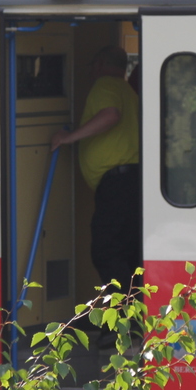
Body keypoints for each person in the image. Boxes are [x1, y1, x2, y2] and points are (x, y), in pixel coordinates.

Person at [50, 45, 141, 293]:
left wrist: (70, 137)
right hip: (131, 182)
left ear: (99, 64)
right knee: (129, 253)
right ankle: (134, 309)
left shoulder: (105, 85)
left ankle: (122, 311)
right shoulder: (127, 90)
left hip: (118, 184)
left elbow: (111, 115)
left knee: (106, 251)